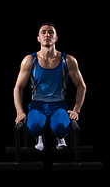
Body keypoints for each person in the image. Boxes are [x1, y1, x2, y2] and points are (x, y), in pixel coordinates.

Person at [13, 22, 86, 150]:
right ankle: (39, 135)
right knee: (34, 127)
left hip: (59, 105)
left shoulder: (68, 60)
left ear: (56, 38)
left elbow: (81, 86)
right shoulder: (30, 60)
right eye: (44, 32)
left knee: (61, 128)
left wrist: (76, 110)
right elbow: (18, 88)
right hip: (37, 105)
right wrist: (20, 112)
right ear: (38, 38)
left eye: (51, 32)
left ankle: (60, 137)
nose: (47, 35)